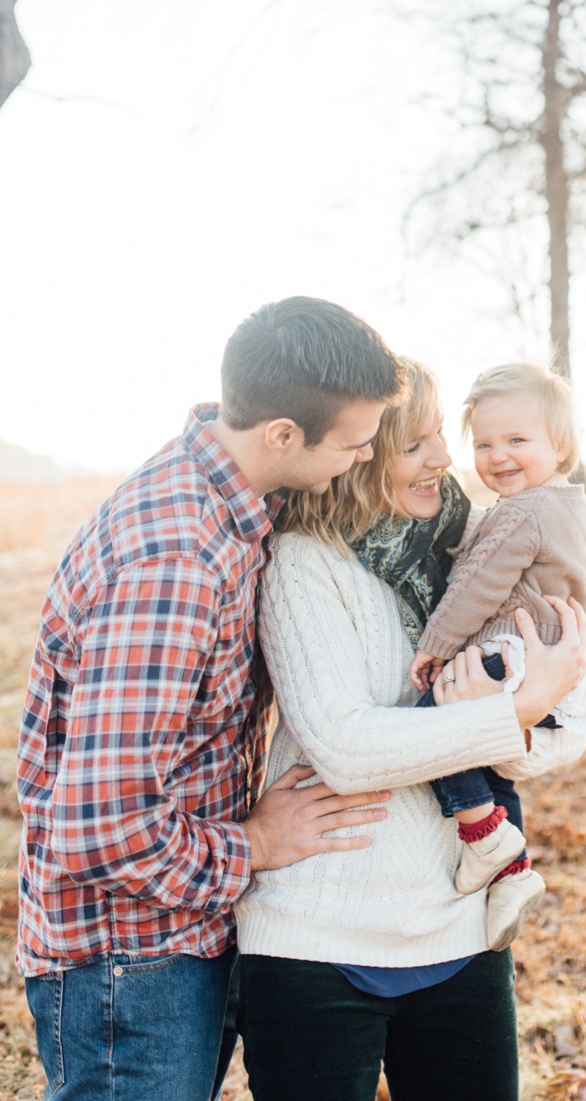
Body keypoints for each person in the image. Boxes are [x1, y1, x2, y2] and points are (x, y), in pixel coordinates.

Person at [16, 297, 407, 1101]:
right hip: (128, 960)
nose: (363, 458)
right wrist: (257, 845)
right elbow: (106, 825)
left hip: (177, 933)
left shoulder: (234, 506)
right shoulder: (177, 557)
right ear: (283, 436)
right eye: (354, 444)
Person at [233, 357, 586, 1101]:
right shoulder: (306, 564)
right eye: (415, 444)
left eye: (440, 437)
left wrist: (517, 719)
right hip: (317, 940)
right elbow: (346, 747)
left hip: (460, 933)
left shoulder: (483, 547)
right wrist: (510, 714)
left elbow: (569, 728)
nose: (443, 459)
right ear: (360, 455)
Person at [406, 362, 586, 934]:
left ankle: (485, 839)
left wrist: (436, 644)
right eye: (484, 443)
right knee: (491, 767)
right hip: (542, 655)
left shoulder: (527, 512)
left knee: (436, 723)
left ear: (560, 445)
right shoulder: (566, 506)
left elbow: (479, 582)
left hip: (510, 652)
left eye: (517, 440)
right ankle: (512, 875)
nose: (498, 456)